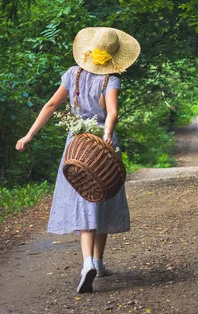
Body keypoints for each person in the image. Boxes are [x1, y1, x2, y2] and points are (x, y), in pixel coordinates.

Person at [16, 26, 140, 293]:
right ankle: (97, 260)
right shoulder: (112, 79)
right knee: (103, 194)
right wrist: (107, 135)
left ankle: (87, 263)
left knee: (84, 198)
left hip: (77, 145)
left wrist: (28, 136)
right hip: (101, 144)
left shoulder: (73, 74)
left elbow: (50, 106)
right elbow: (112, 112)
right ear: (114, 55)